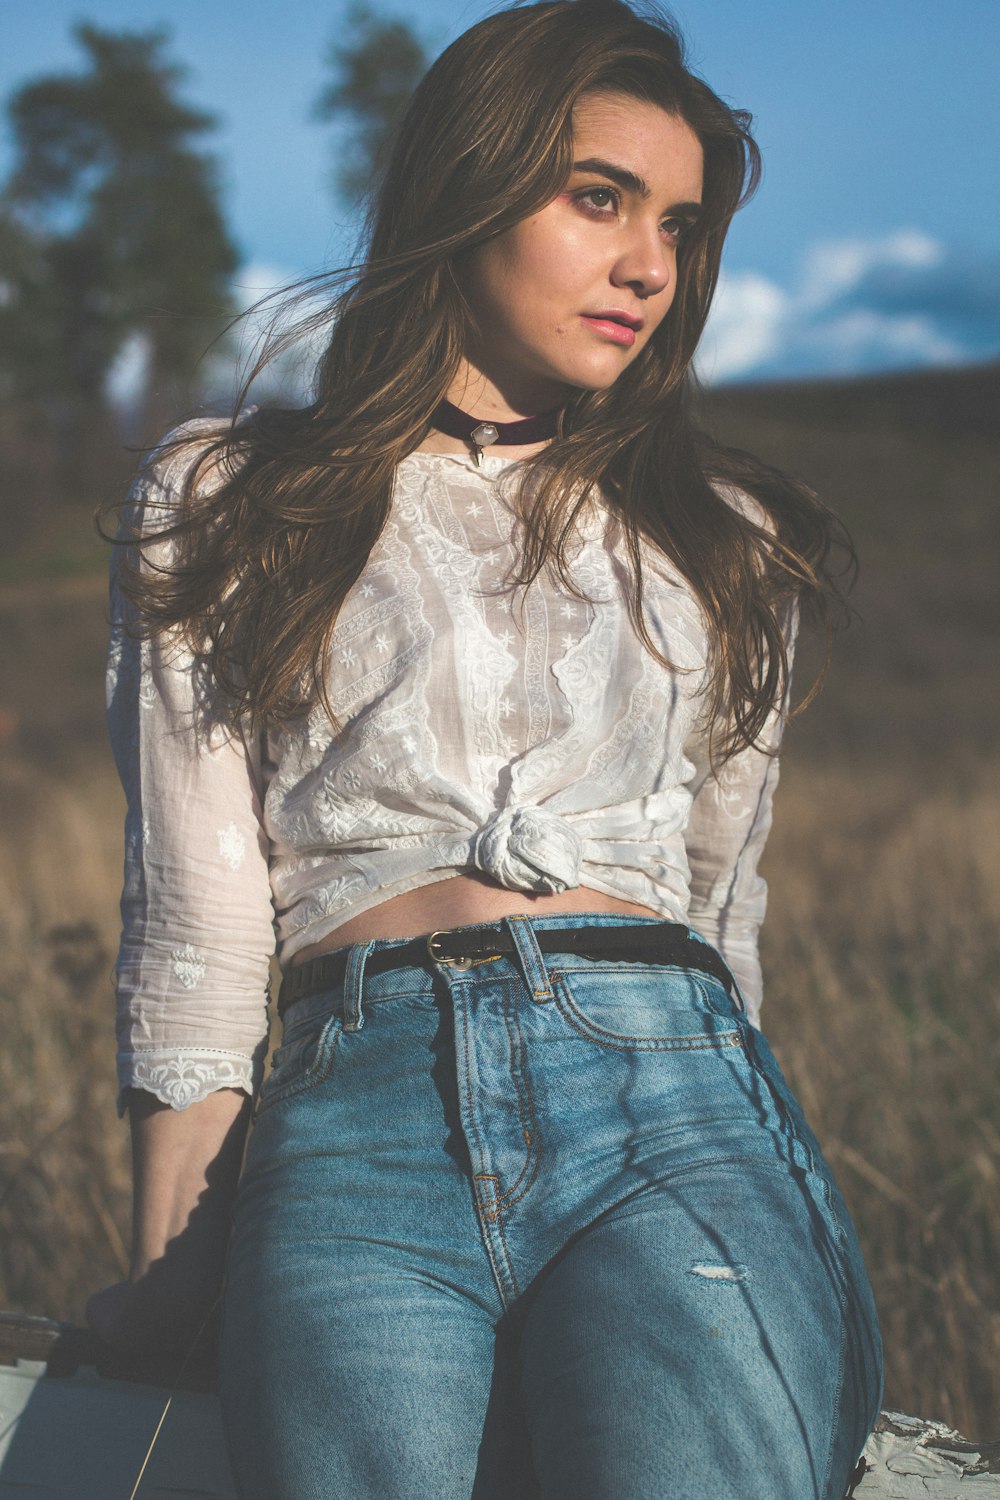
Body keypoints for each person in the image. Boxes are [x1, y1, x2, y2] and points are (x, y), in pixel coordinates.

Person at [89, 1, 883, 1495]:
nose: (650, 264)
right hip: (356, 1107)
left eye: (679, 225)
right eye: (599, 198)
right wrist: (172, 1278)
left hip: (677, 1098)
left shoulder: (726, 544)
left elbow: (720, 911)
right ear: (469, 184)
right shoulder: (228, 499)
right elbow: (195, 917)